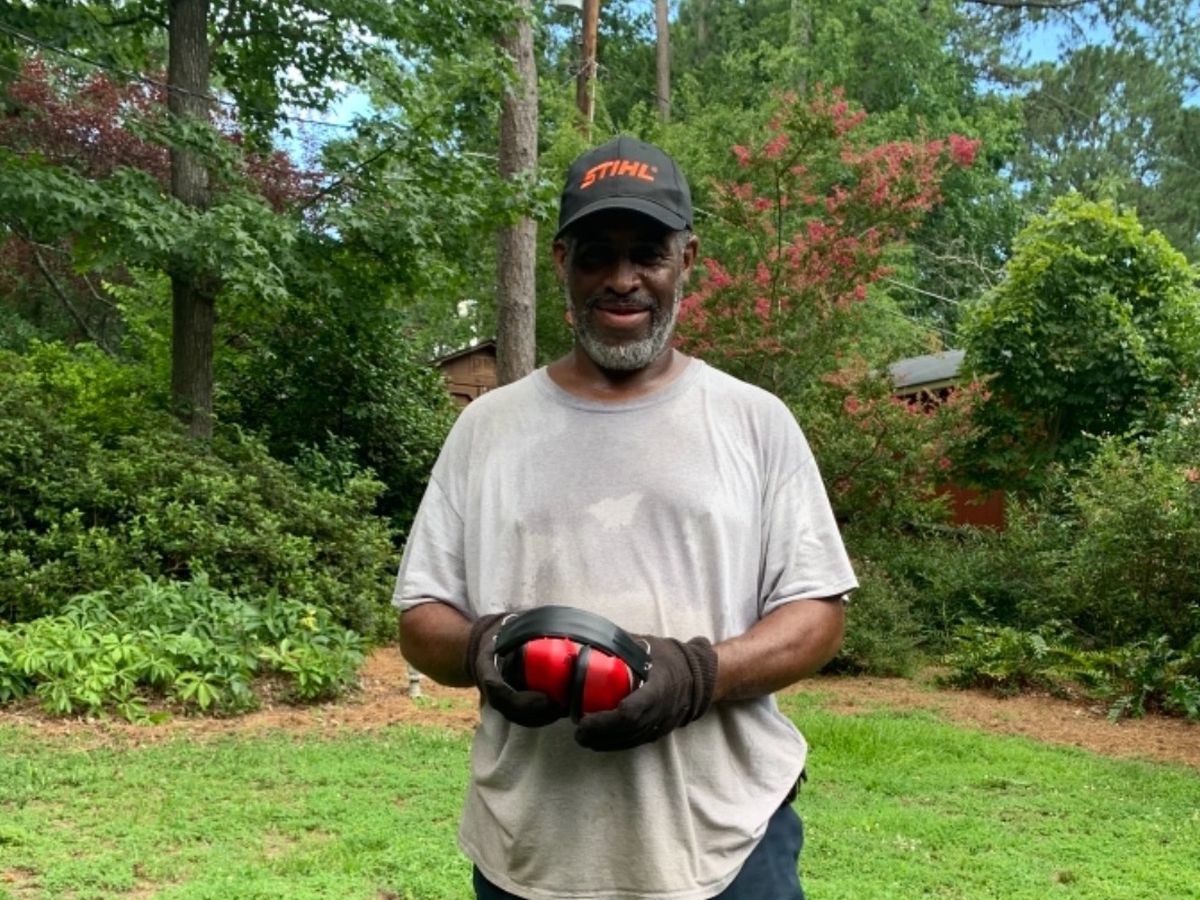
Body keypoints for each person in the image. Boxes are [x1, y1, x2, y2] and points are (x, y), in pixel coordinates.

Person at [394, 135, 857, 900]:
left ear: (687, 259)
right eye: (595, 256)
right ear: (560, 261)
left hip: (728, 846)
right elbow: (420, 618)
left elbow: (818, 613)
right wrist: (482, 648)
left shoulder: (754, 421)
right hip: (532, 851)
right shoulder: (488, 429)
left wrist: (698, 675)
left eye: (648, 254)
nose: (622, 280)